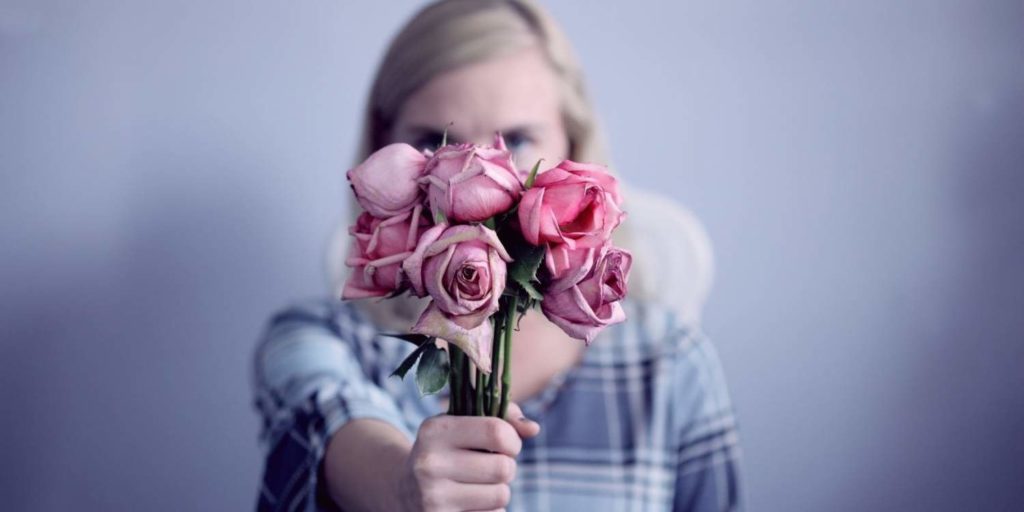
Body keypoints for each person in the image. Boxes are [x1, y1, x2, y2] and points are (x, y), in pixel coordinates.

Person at [251, 1, 743, 510]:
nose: (482, 170)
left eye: (518, 139)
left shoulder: (668, 364)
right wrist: (402, 486)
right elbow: (329, 423)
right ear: (382, 150)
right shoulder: (324, 340)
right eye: (433, 140)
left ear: (575, 147)